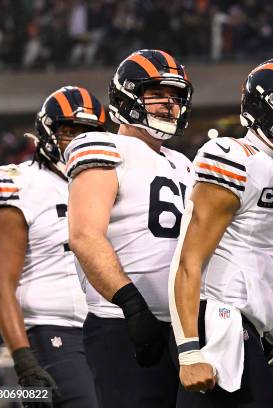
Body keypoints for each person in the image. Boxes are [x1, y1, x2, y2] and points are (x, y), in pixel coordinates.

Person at [170, 58, 273, 407]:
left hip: (247, 326)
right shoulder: (235, 157)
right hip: (218, 319)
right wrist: (187, 350)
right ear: (265, 109)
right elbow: (187, 260)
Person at [65, 49, 195, 407]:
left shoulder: (183, 162)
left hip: (183, 325)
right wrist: (130, 303)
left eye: (175, 97)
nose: (169, 104)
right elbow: (84, 235)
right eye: (157, 94)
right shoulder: (102, 146)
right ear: (127, 95)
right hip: (122, 324)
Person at [0, 86, 106, 407]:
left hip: (109, 329)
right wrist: (24, 362)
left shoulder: (108, 185)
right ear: (47, 132)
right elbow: (0, 284)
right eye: (69, 131)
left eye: (87, 133)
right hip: (53, 329)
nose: (78, 141)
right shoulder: (19, 183)